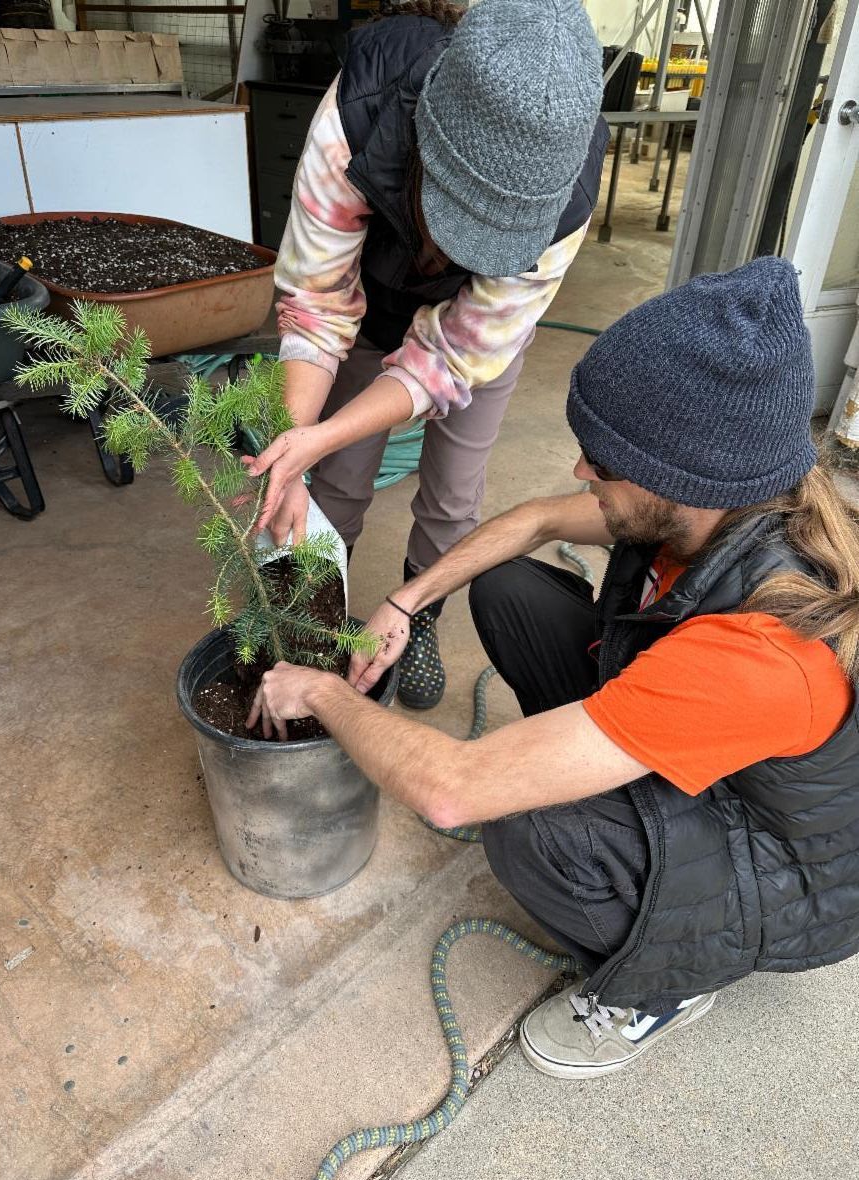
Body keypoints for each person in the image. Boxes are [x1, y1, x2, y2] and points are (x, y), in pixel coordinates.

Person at [246, 257, 859, 1079]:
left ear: (682, 477)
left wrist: (321, 690)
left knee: (530, 828)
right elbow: (537, 520)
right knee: (509, 588)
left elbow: (450, 790)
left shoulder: (764, 650)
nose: (581, 470)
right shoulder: (725, 503)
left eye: (602, 460)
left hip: (783, 878)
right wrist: (407, 600)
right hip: (717, 759)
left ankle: (664, 985)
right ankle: (595, 769)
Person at [242, 0, 609, 710]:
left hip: (478, 337)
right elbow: (318, 303)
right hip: (368, 306)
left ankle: (418, 619)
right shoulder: (360, 115)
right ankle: (316, 616)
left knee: (454, 491)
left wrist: (323, 433)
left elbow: (457, 355)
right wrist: (298, 443)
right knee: (335, 478)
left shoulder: (568, 188)